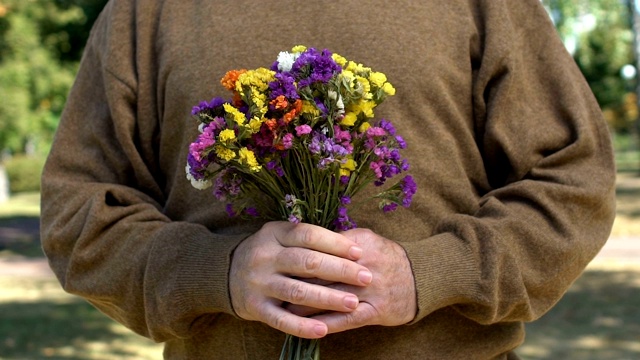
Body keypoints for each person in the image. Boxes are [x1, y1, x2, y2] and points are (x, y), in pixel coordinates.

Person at [40, 0, 616, 359]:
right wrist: (220, 272)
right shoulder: (143, 13)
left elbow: (573, 182)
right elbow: (78, 213)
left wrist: (429, 274)